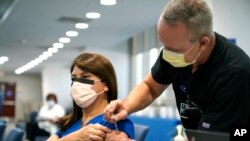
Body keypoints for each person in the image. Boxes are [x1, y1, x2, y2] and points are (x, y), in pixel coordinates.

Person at [104, 0, 250, 133]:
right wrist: (126, 107)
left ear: (202, 44)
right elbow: (150, 87)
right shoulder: (176, 52)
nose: (166, 54)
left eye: (173, 49)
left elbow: (211, 137)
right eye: (164, 46)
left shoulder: (235, 74)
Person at [47, 52, 135, 141]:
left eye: (85, 76)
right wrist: (74, 137)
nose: (77, 83)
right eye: (73, 78)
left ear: (106, 84)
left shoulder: (114, 123)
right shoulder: (70, 122)